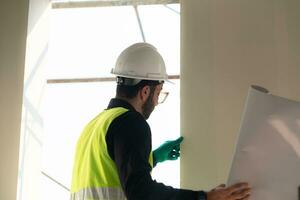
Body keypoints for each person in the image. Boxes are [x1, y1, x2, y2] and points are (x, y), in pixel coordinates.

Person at [70, 42, 251, 200]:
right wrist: (204, 197)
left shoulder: (95, 126)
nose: (156, 102)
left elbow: (113, 173)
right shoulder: (131, 122)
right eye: (159, 94)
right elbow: (140, 192)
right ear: (146, 92)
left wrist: (154, 157)